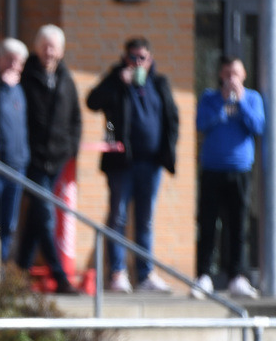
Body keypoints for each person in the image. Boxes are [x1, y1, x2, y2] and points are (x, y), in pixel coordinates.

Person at [87, 36, 179, 293]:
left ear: (150, 59)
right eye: (133, 58)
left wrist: (167, 154)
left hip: (151, 164)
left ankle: (145, 274)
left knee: (145, 219)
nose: (138, 63)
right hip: (122, 162)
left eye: (142, 58)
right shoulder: (116, 80)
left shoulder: (159, 83)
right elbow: (92, 101)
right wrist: (117, 82)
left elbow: (171, 118)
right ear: (125, 58)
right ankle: (117, 273)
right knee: (118, 216)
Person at [193, 55, 265, 299]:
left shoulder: (253, 98)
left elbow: (258, 126)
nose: (231, 78)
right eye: (227, 74)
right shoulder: (209, 98)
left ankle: (237, 276)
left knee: (238, 224)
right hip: (213, 169)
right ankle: (204, 275)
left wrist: (241, 102)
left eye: (235, 73)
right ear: (220, 75)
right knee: (208, 223)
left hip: (240, 170)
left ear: (243, 75)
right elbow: (201, 124)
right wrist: (222, 106)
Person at [15, 25, 80, 294]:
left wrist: (70, 150)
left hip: (57, 159)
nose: (49, 52)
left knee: (35, 218)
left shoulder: (66, 78)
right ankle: (60, 276)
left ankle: (18, 274)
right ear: (37, 48)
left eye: (53, 47)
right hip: (33, 159)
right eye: (45, 46)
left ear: (62, 51)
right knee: (44, 214)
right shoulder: (26, 76)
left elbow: (75, 117)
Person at [0, 38, 30, 263]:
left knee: (10, 222)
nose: (14, 66)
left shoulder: (19, 89)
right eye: (10, 60)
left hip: (18, 165)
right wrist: (5, 88)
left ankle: (2, 268)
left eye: (19, 62)